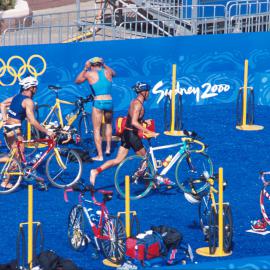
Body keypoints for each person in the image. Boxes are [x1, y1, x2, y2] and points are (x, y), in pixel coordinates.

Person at [89, 82, 159, 186]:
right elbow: (134, 122)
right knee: (146, 159)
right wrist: (150, 132)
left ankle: (95, 171)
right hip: (132, 135)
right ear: (143, 92)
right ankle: (147, 182)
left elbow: (133, 119)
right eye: (148, 91)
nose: (149, 94)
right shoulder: (138, 105)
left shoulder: (135, 102)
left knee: (118, 160)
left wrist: (144, 122)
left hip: (127, 134)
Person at [0, 76, 54, 188]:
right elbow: (33, 121)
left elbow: (2, 104)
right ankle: (5, 182)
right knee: (17, 157)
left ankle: (6, 180)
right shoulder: (28, 101)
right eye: (36, 87)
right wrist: (47, 131)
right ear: (31, 88)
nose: (36, 89)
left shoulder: (17, 97)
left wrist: (5, 118)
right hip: (15, 130)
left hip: (8, 130)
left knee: (15, 155)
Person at [75, 57, 116, 161]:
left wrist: (85, 68)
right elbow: (114, 73)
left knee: (96, 130)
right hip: (109, 101)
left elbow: (77, 81)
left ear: (92, 65)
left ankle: (100, 156)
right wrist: (104, 64)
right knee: (108, 125)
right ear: (100, 64)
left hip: (98, 102)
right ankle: (108, 148)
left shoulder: (89, 73)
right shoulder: (108, 72)